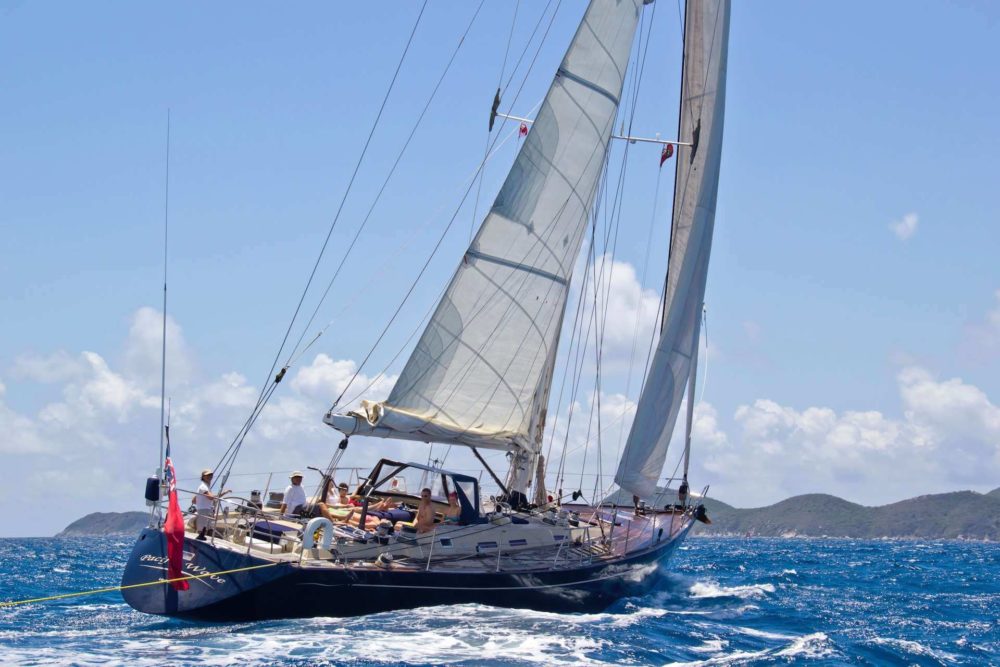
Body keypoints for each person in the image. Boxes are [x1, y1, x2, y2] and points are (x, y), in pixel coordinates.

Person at [194, 469, 230, 541]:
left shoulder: (205, 487)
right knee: (201, 529)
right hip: (204, 509)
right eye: (208, 475)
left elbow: (194, 500)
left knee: (204, 527)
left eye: (211, 475)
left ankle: (202, 537)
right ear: (203, 477)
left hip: (205, 509)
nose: (210, 476)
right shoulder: (203, 487)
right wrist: (224, 493)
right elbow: (211, 497)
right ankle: (200, 539)